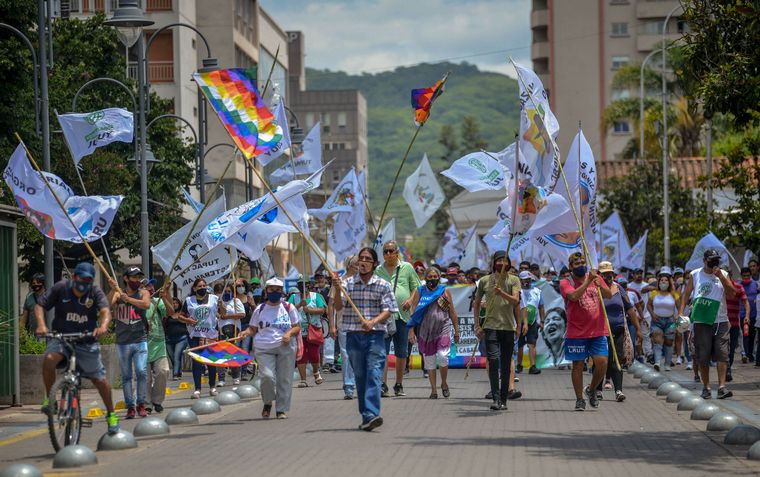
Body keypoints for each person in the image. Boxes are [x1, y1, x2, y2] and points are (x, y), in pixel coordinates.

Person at [35, 262, 120, 434]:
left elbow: (105, 311)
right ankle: (50, 401)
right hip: (61, 337)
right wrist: (41, 326)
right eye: (82, 278)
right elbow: (40, 306)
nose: (84, 283)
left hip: (86, 339)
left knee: (100, 380)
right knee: (49, 360)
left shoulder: (94, 292)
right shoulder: (61, 288)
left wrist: (103, 326)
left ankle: (111, 415)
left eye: (88, 280)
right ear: (74, 277)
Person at [337, 246, 397, 431]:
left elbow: (389, 309)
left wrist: (373, 322)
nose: (363, 262)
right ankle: (366, 416)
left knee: (373, 373)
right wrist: (334, 288)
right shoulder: (347, 284)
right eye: (360, 259)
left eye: (367, 259)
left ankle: (371, 413)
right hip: (354, 337)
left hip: (376, 337)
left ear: (374, 263)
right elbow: (339, 306)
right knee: (361, 377)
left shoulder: (382, 284)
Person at [678, 249, 736, 400]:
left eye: (716, 260)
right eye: (711, 260)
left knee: (722, 354)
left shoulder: (723, 274)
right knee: (703, 356)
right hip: (701, 321)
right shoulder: (695, 274)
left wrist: (721, 277)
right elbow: (686, 294)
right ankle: (706, 387)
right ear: (704, 260)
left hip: (721, 320)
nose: (714, 263)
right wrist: (680, 313)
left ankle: (722, 387)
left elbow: (732, 293)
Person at [238, 278, 300, 419]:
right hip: (263, 347)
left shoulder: (289, 307)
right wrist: (245, 333)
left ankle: (281, 409)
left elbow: (297, 326)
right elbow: (253, 328)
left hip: (285, 347)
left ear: (282, 291)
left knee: (284, 379)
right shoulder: (260, 309)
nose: (274, 292)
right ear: (266, 291)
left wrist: (288, 333)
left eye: (278, 289)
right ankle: (267, 402)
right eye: (271, 289)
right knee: (267, 377)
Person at [560, 252, 613, 411]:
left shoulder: (596, 278)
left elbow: (608, 295)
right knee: (577, 365)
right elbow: (574, 296)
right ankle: (579, 399)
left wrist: (598, 284)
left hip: (598, 330)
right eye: (577, 264)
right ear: (571, 267)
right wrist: (588, 281)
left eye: (583, 262)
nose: (581, 266)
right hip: (577, 332)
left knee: (602, 363)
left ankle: (591, 389)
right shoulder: (566, 282)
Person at [473, 251, 520, 411]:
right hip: (490, 327)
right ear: (494, 263)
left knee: (506, 365)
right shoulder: (485, 281)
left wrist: (502, 293)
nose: (502, 263)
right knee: (493, 361)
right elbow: (477, 302)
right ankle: (496, 398)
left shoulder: (514, 280)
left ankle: (504, 399)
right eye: (499, 260)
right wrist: (477, 325)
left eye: (505, 260)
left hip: (507, 327)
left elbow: (515, 301)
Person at [375, 240, 420, 397]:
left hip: (403, 316)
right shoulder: (378, 270)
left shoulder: (407, 267)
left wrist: (410, 300)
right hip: (384, 316)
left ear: (396, 252)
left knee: (401, 352)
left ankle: (399, 384)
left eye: (390, 251)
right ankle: (382, 384)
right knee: (382, 352)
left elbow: (417, 287)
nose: (388, 254)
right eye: (385, 251)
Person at [407, 267, 460, 398]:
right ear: (425, 278)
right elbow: (413, 311)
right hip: (425, 330)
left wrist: (457, 330)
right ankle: (433, 390)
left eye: (435, 277)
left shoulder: (444, 291)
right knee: (429, 361)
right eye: (429, 277)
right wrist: (411, 331)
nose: (432, 279)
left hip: (443, 327)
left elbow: (452, 311)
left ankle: (444, 383)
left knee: (443, 356)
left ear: (439, 277)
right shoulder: (420, 291)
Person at [109, 266, 151, 419]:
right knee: (126, 376)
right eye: (133, 277)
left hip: (140, 339)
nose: (137, 280)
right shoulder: (118, 293)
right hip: (123, 342)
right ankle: (130, 407)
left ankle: (141, 404)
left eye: (139, 277)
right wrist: (113, 289)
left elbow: (146, 305)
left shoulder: (143, 292)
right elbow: (107, 305)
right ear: (126, 278)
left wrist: (129, 300)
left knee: (141, 371)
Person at [599, 262, 640, 402]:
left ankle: (618, 390)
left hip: (618, 330)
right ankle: (597, 389)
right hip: (600, 332)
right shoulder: (595, 289)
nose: (607, 276)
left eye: (609, 273)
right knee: (602, 361)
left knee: (616, 360)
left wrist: (638, 329)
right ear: (599, 275)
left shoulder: (619, 289)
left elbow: (630, 309)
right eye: (604, 274)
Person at [179, 278, 224, 398]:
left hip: (210, 335)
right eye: (199, 286)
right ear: (194, 288)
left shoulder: (214, 299)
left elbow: (223, 314)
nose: (202, 288)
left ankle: (212, 387)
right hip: (195, 335)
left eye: (204, 285)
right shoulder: (189, 300)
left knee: (211, 362)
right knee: (197, 362)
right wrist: (187, 320)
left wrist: (222, 305)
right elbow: (180, 316)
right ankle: (197, 389)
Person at [329, 256, 358, 399]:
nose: (359, 266)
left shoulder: (362, 281)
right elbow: (331, 305)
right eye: (356, 264)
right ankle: (348, 386)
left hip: (361, 325)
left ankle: (360, 383)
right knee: (346, 355)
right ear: (349, 266)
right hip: (344, 324)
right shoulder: (338, 282)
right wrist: (331, 325)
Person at [290, 280, 327, 387]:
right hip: (298, 330)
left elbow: (322, 310)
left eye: (306, 284)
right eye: (301, 284)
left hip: (313, 328)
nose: (303, 287)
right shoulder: (293, 297)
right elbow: (287, 310)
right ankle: (303, 379)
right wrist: (298, 305)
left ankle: (316, 372)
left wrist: (309, 310)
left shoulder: (316, 296)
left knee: (314, 353)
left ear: (310, 286)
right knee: (301, 354)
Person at [144, 280, 173, 413]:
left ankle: (157, 400)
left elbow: (171, 312)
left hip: (158, 344)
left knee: (163, 371)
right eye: (146, 286)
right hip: (142, 344)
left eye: (151, 286)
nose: (150, 288)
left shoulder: (157, 301)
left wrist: (166, 295)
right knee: (145, 377)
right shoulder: (136, 302)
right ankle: (146, 404)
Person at [647, 267, 679, 372]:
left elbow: (679, 306)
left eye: (666, 280)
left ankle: (667, 364)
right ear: (658, 282)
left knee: (669, 342)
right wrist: (652, 315)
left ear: (669, 282)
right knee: (657, 341)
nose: (663, 282)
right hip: (657, 321)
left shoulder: (674, 294)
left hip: (670, 322)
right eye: (661, 280)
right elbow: (649, 305)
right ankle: (657, 362)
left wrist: (678, 317)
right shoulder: (654, 293)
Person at [217, 283, 246, 386]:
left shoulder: (236, 301)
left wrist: (228, 316)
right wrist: (221, 306)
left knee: (233, 353)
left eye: (229, 291)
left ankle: (236, 376)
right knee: (221, 354)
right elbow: (220, 314)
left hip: (234, 330)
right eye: (225, 291)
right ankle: (221, 378)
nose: (227, 293)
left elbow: (242, 314)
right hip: (221, 331)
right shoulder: (219, 302)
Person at [517, 271, 544, 375]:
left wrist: (542, 321)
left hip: (532, 322)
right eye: (525, 280)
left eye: (529, 280)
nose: (527, 282)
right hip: (519, 322)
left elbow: (541, 307)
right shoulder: (517, 291)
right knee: (519, 345)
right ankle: (519, 365)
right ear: (520, 280)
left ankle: (533, 366)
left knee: (532, 344)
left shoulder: (537, 291)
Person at [725, 269, 748, 382]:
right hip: (722, 324)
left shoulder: (738, 288)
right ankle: (727, 369)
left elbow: (745, 302)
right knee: (723, 348)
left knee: (732, 348)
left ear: (730, 276)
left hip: (734, 324)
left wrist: (747, 315)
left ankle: (728, 368)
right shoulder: (719, 289)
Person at [165, 296, 190, 380]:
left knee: (176, 355)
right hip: (169, 339)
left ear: (179, 304)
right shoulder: (167, 314)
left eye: (176, 303)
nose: (174, 304)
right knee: (172, 357)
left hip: (181, 338)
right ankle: (178, 371)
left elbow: (189, 321)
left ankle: (175, 374)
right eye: (172, 303)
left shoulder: (183, 314)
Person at [739, 267, 758, 364]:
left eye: (748, 275)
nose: (746, 277)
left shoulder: (756, 284)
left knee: (752, 335)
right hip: (742, 314)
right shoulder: (738, 285)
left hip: (754, 314)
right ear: (741, 276)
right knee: (745, 334)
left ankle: (751, 355)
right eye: (744, 276)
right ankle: (745, 354)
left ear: (751, 275)